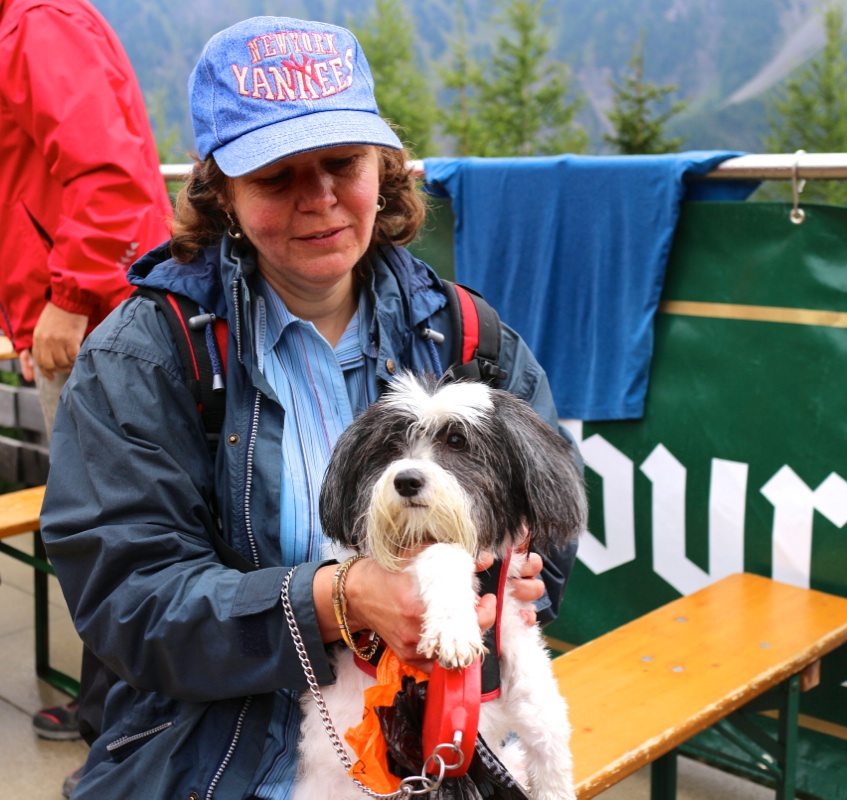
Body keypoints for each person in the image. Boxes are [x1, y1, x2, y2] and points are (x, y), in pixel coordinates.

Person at [40, 15, 578, 800]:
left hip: (432, 749)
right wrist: (338, 599)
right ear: (220, 192)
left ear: (383, 169)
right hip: (215, 762)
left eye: (341, 163)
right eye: (275, 176)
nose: (319, 199)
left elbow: (550, 526)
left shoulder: (467, 337)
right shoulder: (145, 356)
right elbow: (128, 602)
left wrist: (513, 581)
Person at [0, 0, 172, 790]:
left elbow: (106, 171)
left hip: (94, 319)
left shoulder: (38, 24)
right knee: (107, 527)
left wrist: (65, 298)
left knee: (109, 532)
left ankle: (121, 728)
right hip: (79, 314)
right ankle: (112, 707)